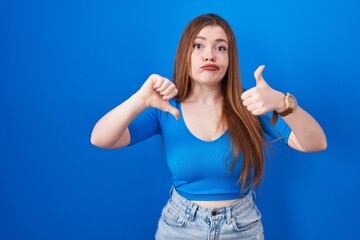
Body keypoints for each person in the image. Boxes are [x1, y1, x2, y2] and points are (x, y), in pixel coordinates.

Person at [91, 13, 327, 240]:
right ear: (185, 55)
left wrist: (281, 102)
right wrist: (139, 100)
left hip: (241, 228)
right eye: (198, 46)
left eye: (220, 48)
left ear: (229, 58)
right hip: (179, 228)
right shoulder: (166, 108)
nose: (210, 56)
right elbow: (101, 138)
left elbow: (315, 143)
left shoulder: (251, 104)